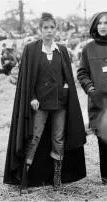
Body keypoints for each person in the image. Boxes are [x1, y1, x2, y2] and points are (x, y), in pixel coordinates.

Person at [3, 13, 86, 191]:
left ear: (56, 29)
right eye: (45, 28)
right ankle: (25, 177)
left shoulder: (62, 50)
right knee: (34, 137)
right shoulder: (31, 49)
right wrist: (32, 97)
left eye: (52, 27)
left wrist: (65, 87)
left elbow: (67, 75)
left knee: (59, 139)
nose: (49, 31)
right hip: (39, 102)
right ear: (40, 30)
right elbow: (27, 78)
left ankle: (57, 176)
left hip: (60, 103)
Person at [77, 12, 107, 185]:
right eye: (100, 23)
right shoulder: (88, 48)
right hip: (99, 103)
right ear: (95, 26)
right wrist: (90, 88)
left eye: (106, 23)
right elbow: (82, 72)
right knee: (104, 140)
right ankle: (106, 176)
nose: (103, 26)